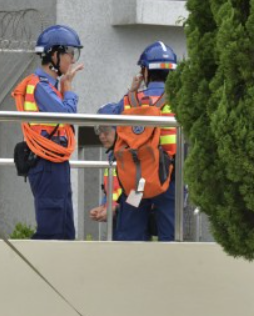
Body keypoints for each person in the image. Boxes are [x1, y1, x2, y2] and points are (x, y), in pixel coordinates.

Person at [101, 41, 178, 242]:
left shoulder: (129, 101)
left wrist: (130, 92)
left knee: (131, 234)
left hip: (136, 179)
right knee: (170, 236)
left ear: (145, 72)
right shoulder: (181, 100)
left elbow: (112, 121)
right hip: (167, 178)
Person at [13, 25, 84, 240]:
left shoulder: (50, 87)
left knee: (64, 228)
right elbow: (67, 115)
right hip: (46, 163)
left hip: (55, 162)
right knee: (52, 229)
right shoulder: (40, 86)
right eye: (70, 53)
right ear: (55, 55)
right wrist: (69, 88)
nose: (72, 59)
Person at [88, 111, 121, 230]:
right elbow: (113, 191)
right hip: (119, 217)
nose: (102, 136)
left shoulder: (131, 157)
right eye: (98, 130)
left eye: (105, 130)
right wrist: (104, 206)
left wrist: (116, 209)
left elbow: (138, 194)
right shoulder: (112, 156)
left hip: (131, 220)